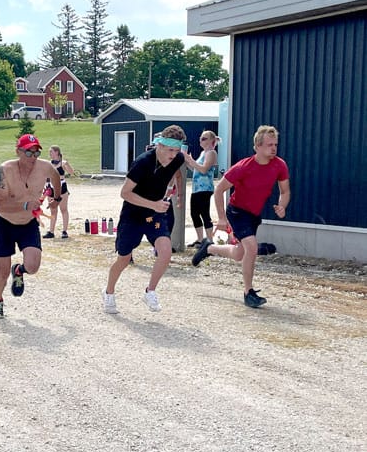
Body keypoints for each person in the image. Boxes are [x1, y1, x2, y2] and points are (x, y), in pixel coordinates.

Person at [192, 125, 290, 308]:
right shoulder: (244, 167)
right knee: (251, 248)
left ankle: (209, 248)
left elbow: (285, 191)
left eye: (275, 144)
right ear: (258, 146)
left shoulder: (279, 165)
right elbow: (219, 189)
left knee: (240, 254)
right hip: (236, 211)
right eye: (269, 145)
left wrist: (282, 206)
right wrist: (221, 218)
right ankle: (248, 292)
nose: (274, 148)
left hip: (253, 214)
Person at [102, 125, 187, 314]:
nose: (174, 154)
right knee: (123, 259)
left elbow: (176, 174)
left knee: (165, 251)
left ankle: (150, 291)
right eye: (171, 150)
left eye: (177, 150)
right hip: (132, 215)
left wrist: (171, 190)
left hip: (155, 214)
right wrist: (154, 204)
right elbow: (124, 193)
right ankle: (109, 292)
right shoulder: (142, 163)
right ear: (160, 145)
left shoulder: (178, 158)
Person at [0, 134, 61, 318]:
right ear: (18, 151)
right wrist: (24, 205)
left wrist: (56, 198)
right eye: (28, 152)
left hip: (28, 223)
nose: (33, 157)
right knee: (2, 272)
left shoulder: (45, 166)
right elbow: (0, 205)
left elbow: (56, 177)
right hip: (5, 223)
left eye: (36, 152)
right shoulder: (5, 170)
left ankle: (19, 270)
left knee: (33, 265)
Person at [184, 131, 219, 247]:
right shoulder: (203, 153)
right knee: (194, 213)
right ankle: (200, 239)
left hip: (205, 188)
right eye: (200, 138)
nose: (201, 140)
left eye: (204, 138)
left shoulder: (211, 153)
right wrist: (187, 162)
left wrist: (190, 160)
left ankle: (209, 240)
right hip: (197, 188)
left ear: (211, 141)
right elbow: (195, 169)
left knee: (204, 213)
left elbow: (204, 169)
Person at [43, 145, 75, 239]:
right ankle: (51, 231)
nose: (50, 154)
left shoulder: (63, 163)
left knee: (63, 209)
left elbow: (71, 172)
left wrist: (67, 165)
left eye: (51, 152)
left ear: (57, 152)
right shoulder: (49, 164)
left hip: (62, 187)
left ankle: (64, 231)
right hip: (51, 187)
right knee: (53, 210)